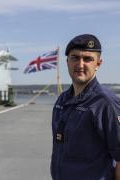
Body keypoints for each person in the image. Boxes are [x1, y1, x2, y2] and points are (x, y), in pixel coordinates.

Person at [51, 34, 120, 180]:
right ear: (67, 61)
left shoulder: (105, 103)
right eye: (75, 57)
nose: (80, 64)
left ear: (98, 64)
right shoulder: (62, 100)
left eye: (87, 59)